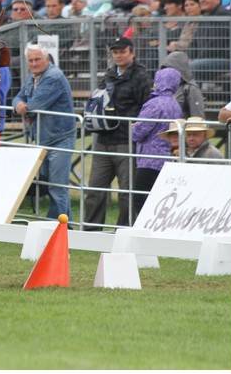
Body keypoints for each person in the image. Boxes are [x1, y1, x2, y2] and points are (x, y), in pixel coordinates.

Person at [84, 37, 151, 230]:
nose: (118, 55)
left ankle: (123, 232)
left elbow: (147, 107)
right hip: (103, 139)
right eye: (115, 52)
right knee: (94, 189)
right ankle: (90, 231)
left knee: (127, 193)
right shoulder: (108, 75)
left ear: (132, 52)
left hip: (126, 141)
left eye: (122, 51)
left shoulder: (142, 77)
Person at [12, 44, 76, 218]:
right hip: (44, 138)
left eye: (37, 59)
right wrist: (19, 104)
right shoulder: (33, 77)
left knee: (57, 186)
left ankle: (54, 223)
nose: (34, 63)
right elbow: (18, 97)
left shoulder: (53, 77)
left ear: (46, 59)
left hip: (60, 138)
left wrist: (23, 107)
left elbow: (35, 106)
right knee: (51, 183)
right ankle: (66, 224)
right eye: (30, 60)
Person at [129, 67, 183, 222]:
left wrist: (133, 128)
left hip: (149, 159)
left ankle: (144, 229)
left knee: (140, 198)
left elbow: (138, 132)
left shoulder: (154, 104)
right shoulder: (175, 105)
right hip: (167, 157)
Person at [159, 51, 205, 118]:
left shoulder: (190, 89)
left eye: (171, 70)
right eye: (165, 69)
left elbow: (197, 117)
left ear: (180, 70)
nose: (168, 72)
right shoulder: (160, 88)